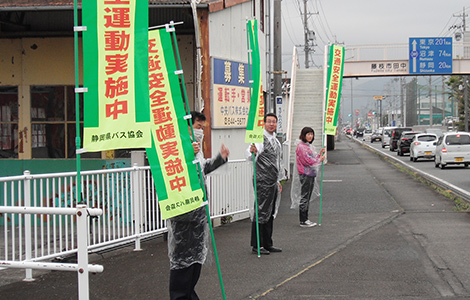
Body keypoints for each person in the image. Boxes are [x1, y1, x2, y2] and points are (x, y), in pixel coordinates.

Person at [168, 111, 230, 300]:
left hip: (198, 212)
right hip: (184, 212)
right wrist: (187, 153)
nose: (201, 131)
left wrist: (220, 158)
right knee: (182, 262)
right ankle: (180, 296)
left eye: (202, 128)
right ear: (187, 127)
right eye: (198, 127)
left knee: (195, 260)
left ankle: (189, 294)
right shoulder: (174, 146)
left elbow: (202, 169)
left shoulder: (195, 148)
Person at [246, 113, 285, 255]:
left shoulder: (276, 140)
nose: (271, 124)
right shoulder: (259, 138)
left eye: (274, 122)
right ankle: (257, 244)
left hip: (272, 181)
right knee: (261, 211)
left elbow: (277, 163)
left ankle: (268, 243)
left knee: (270, 212)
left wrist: (278, 180)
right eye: (269, 121)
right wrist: (252, 152)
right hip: (262, 180)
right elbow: (250, 155)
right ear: (264, 123)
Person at [290, 127, 325, 228]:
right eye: (308, 134)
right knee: (305, 196)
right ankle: (303, 219)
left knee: (307, 196)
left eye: (311, 134)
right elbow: (307, 161)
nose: (310, 136)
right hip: (305, 174)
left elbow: (312, 159)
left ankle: (305, 218)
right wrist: (319, 160)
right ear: (303, 135)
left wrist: (319, 155)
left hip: (309, 174)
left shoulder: (307, 146)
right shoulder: (301, 147)